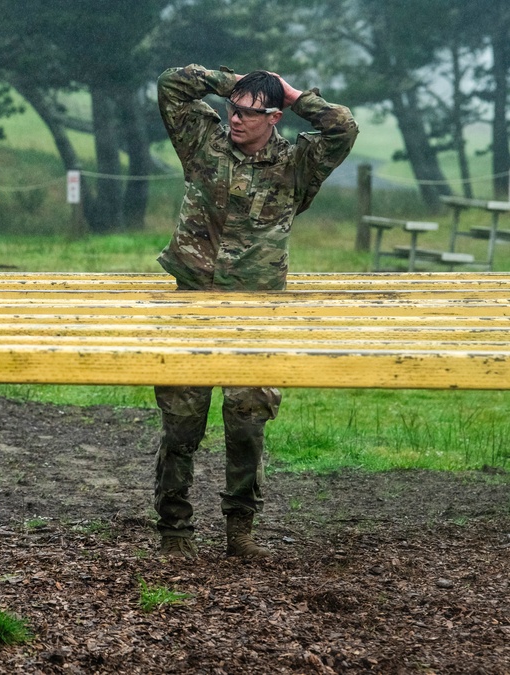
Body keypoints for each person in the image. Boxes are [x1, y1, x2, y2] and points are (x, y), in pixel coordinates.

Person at [153, 64, 359, 559]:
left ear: (273, 117)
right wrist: (235, 83)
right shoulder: (203, 143)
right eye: (231, 111)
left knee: (247, 422)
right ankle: (174, 528)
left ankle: (240, 530)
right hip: (194, 302)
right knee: (182, 422)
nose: (235, 120)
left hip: (256, 310)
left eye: (247, 113)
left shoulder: (298, 163)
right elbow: (172, 85)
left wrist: (293, 95)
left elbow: (343, 127)